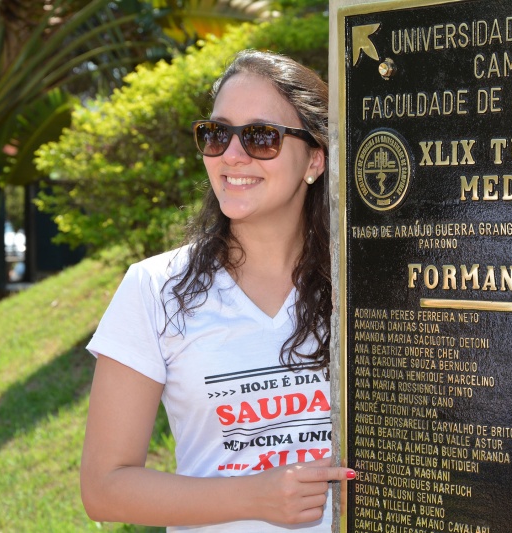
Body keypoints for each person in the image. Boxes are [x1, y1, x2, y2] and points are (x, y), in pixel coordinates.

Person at [80, 50, 354, 532]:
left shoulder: (364, 289)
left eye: (261, 137)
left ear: (315, 159)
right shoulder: (154, 289)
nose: (231, 154)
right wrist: (255, 497)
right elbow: (104, 488)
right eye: (216, 133)